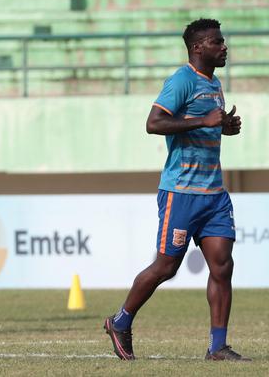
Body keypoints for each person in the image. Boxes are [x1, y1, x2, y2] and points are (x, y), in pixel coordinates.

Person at [104, 19, 249, 362]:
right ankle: (120, 322)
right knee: (166, 268)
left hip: (213, 193)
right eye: (218, 42)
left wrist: (225, 127)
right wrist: (204, 121)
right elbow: (153, 123)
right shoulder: (181, 81)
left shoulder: (214, 84)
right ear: (199, 48)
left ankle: (218, 347)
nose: (224, 47)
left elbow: (207, 127)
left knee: (222, 266)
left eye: (223, 41)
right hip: (181, 192)